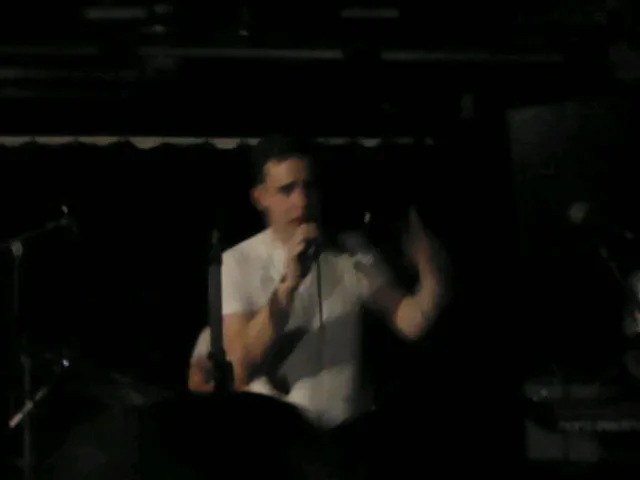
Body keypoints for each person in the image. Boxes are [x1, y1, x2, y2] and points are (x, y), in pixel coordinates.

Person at [216, 135, 447, 428]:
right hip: (278, 437)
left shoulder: (350, 251)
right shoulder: (238, 262)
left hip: (347, 434)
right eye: (287, 190)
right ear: (260, 197)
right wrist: (288, 285)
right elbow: (238, 368)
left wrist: (430, 268)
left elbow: (410, 321)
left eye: (309, 187)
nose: (302, 201)